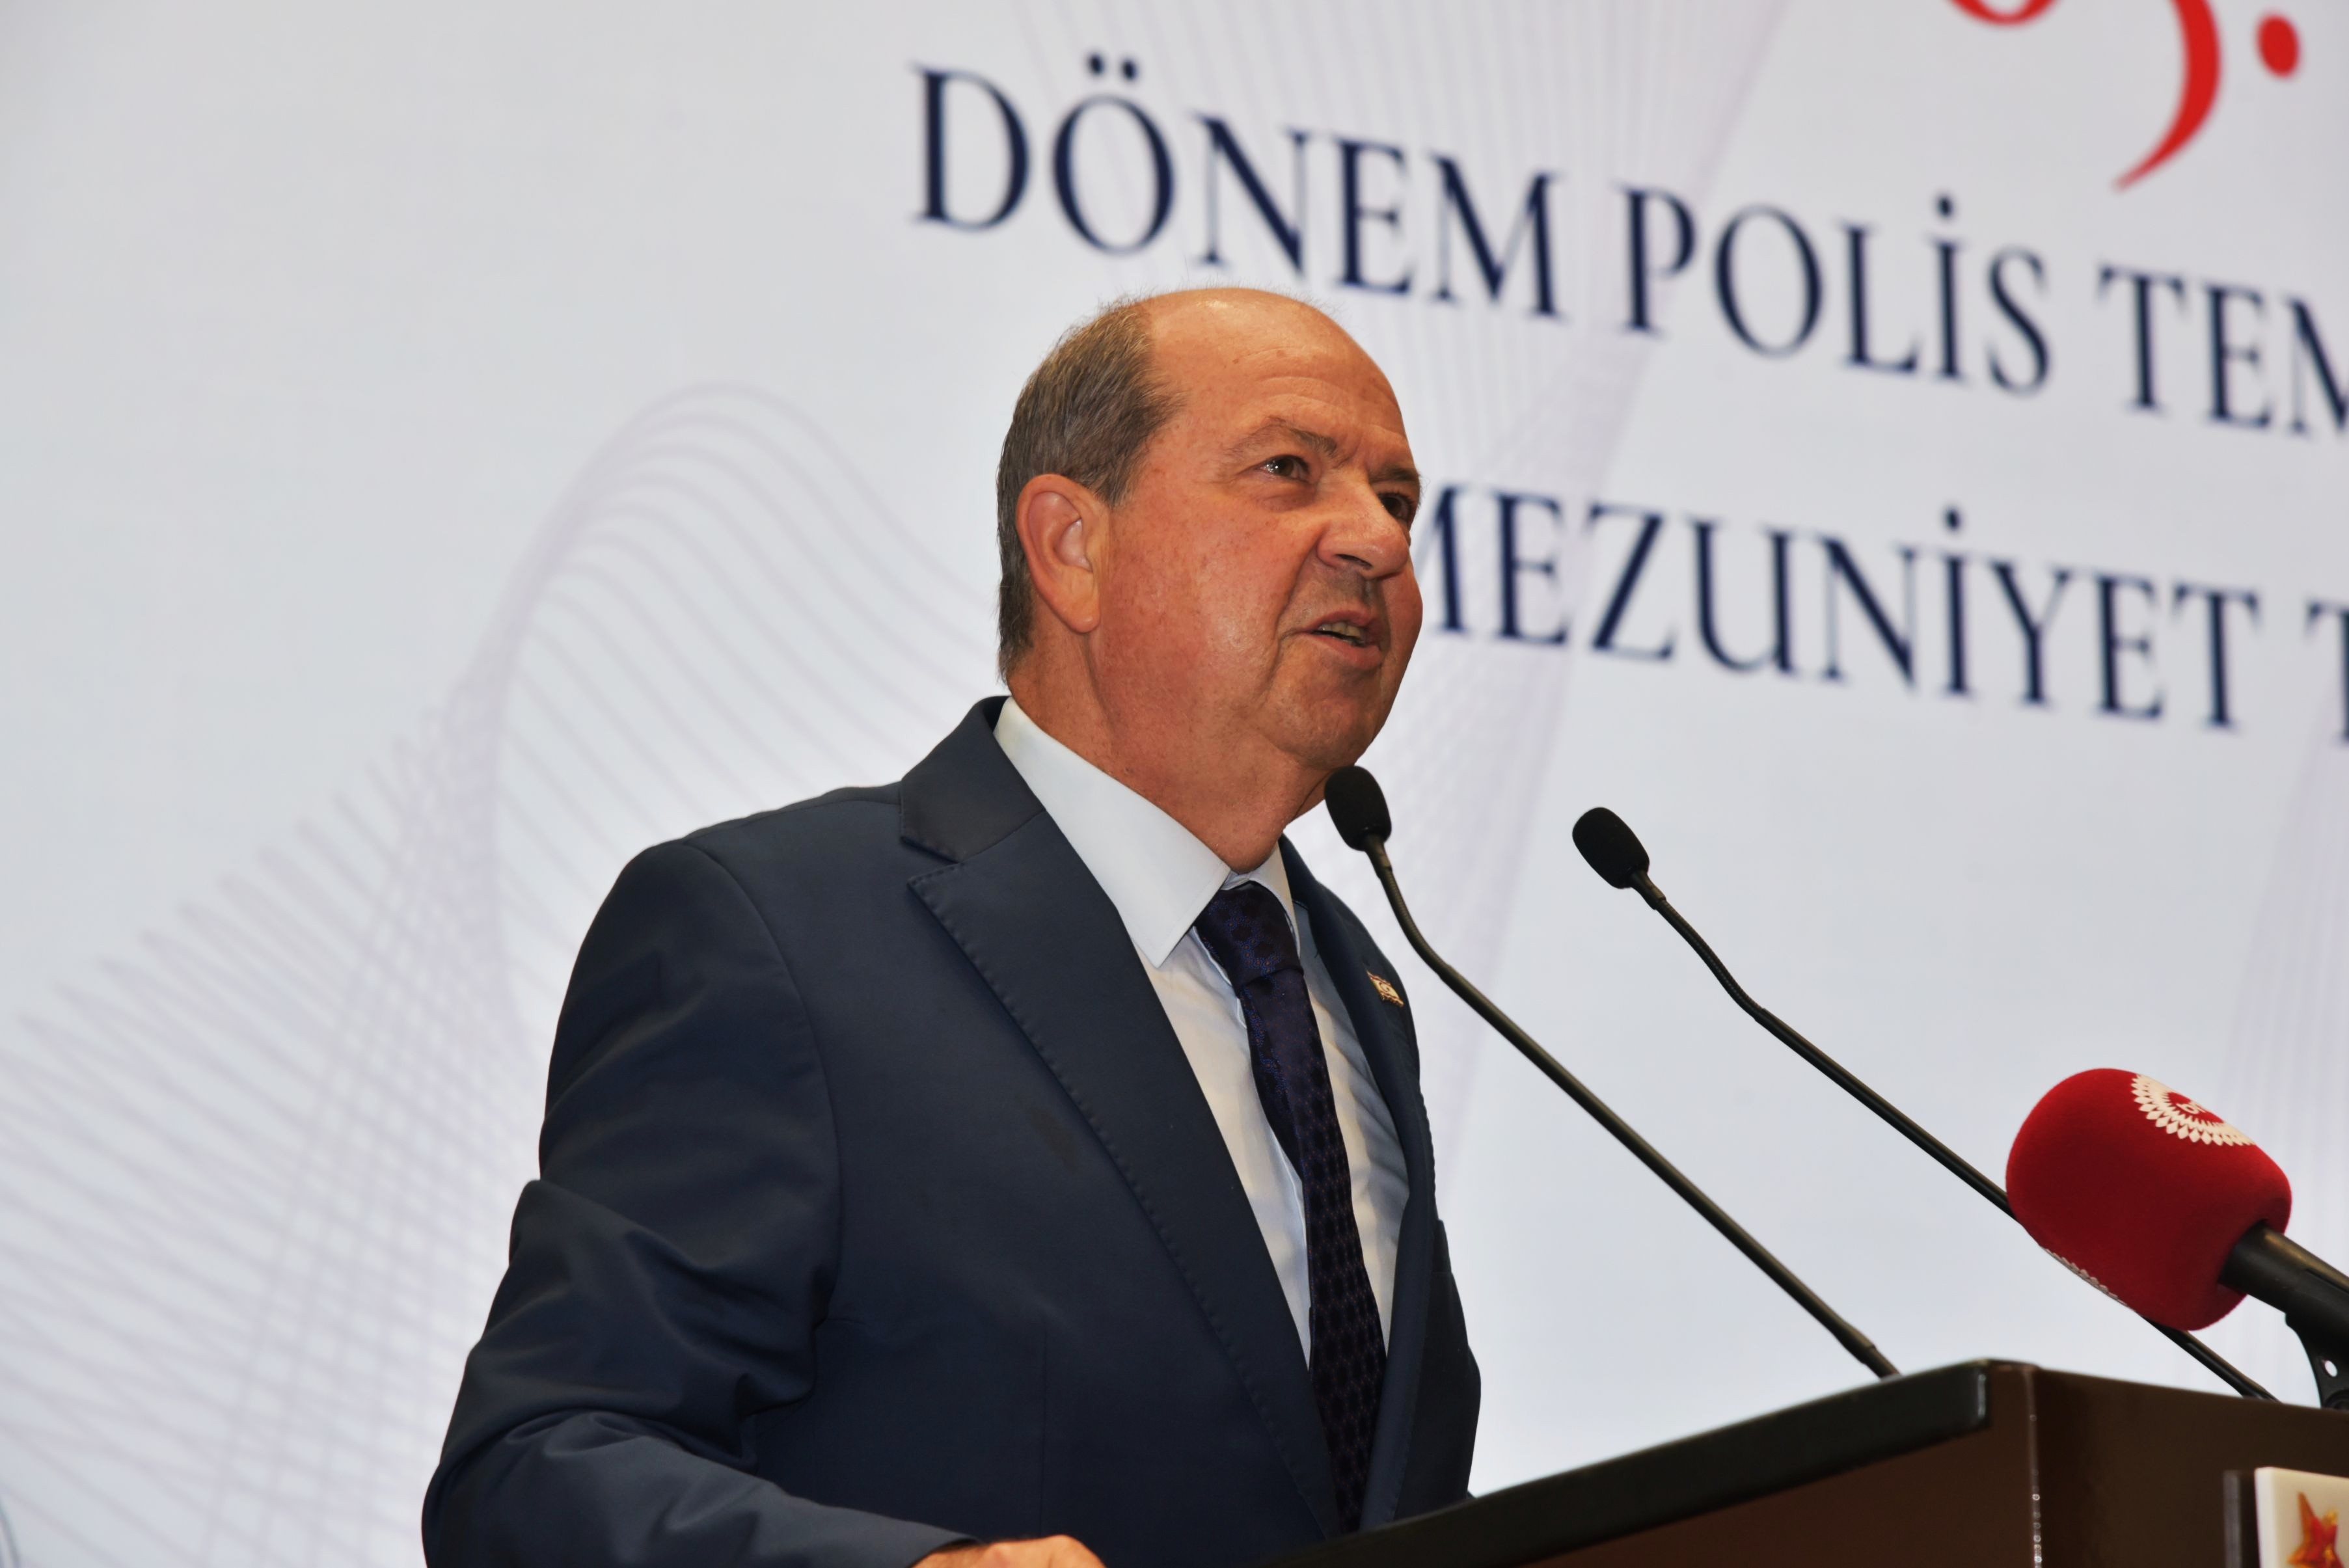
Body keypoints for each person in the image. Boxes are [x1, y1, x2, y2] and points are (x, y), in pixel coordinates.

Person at [423, 289, 1479, 1568]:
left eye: (1396, 498)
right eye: (1288, 471)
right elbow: (536, 1470)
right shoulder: (778, 933)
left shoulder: (1354, 992)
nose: (1375, 538)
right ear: (1071, 546)